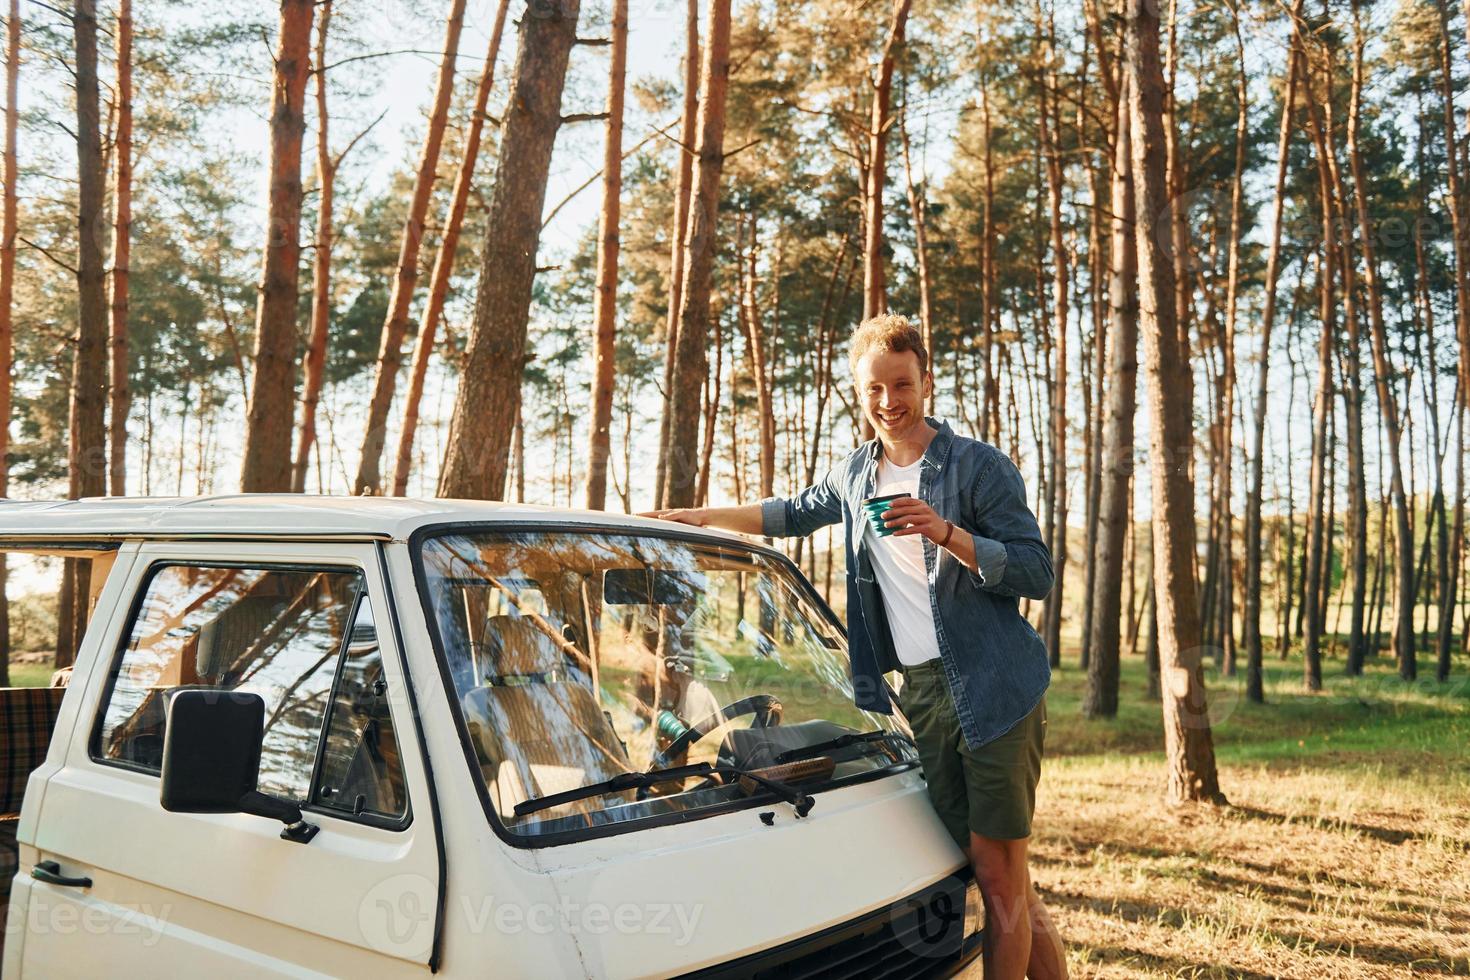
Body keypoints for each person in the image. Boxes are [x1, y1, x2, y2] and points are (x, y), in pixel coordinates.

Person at [643, 314, 1067, 979]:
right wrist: (698, 517)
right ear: (857, 391)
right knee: (997, 870)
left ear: (925, 380)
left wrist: (945, 532)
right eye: (874, 389)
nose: (888, 403)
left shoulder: (977, 468)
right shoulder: (856, 476)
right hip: (922, 695)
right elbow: (787, 512)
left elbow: (1036, 571)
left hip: (995, 688)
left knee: (998, 874)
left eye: (901, 385)